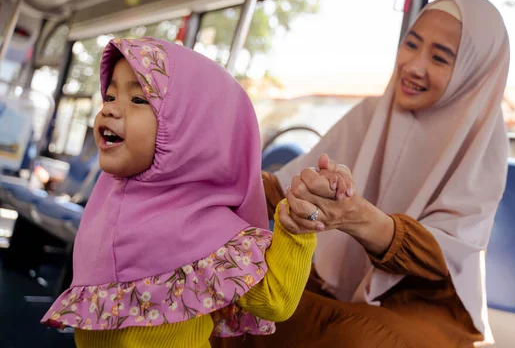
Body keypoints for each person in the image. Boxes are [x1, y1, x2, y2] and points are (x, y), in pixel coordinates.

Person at [213, 0, 510, 347]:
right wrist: (211, 172)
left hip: (422, 303)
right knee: (235, 294)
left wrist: (357, 218)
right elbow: (282, 186)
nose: (414, 65)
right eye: (411, 44)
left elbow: (441, 258)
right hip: (331, 280)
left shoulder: (482, 145)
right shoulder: (370, 114)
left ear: (473, 72)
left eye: (439, 57)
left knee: (361, 340)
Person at [40, 37, 316, 347]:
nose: (109, 111)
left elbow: (275, 300)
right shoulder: (105, 206)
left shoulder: (210, 233)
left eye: (138, 100)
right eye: (110, 96)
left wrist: (297, 227)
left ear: (189, 130)